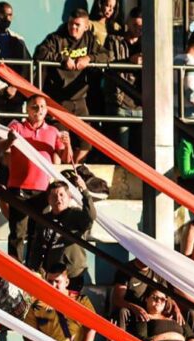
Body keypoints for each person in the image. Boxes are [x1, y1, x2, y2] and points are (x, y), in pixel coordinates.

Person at [0, 94, 73, 261]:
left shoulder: (53, 131)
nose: (39, 110)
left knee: (37, 233)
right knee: (17, 232)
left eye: (42, 107)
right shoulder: (16, 127)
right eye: (34, 107)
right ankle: (14, 270)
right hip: (19, 187)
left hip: (42, 190)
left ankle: (33, 270)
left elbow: (66, 158)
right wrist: (10, 140)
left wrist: (68, 144)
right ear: (27, 110)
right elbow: (0, 147)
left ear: (47, 110)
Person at [34, 8, 110, 163]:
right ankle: (60, 176)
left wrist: (89, 58)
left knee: (87, 143)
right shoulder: (56, 38)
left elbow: (107, 55)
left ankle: (72, 172)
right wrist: (62, 59)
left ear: (86, 26)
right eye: (70, 24)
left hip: (80, 99)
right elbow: (39, 53)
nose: (72, 28)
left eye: (77, 25)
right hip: (58, 100)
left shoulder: (89, 40)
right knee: (60, 144)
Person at [24, 264, 96, 341]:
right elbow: (27, 333)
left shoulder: (81, 301)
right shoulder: (37, 305)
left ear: (66, 282)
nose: (53, 285)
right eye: (49, 281)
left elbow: (91, 328)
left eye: (57, 281)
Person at [28, 177, 96, 289]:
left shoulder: (76, 215)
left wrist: (85, 192)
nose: (58, 199)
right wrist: (34, 270)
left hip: (73, 274)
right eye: (54, 196)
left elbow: (90, 217)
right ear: (48, 200)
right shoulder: (44, 220)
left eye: (61, 195)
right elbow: (37, 247)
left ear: (69, 197)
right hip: (52, 277)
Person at [103, 7, 142, 154]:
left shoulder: (148, 43)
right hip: (120, 102)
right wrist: (129, 61)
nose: (138, 29)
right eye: (135, 25)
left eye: (141, 27)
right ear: (127, 22)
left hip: (141, 103)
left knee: (140, 153)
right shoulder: (114, 40)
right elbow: (107, 65)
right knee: (121, 152)